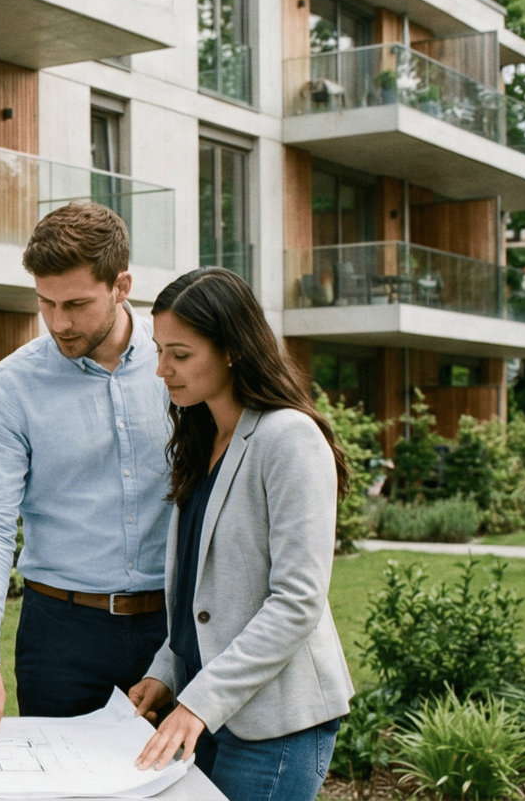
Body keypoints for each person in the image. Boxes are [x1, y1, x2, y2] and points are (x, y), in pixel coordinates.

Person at [0, 202, 176, 740]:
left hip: (175, 625)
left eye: (75, 303)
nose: (58, 322)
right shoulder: (11, 386)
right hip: (60, 635)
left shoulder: (180, 366)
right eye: (45, 302)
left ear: (122, 285)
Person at [129, 267, 354, 801]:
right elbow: (200, 592)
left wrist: (198, 702)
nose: (162, 369)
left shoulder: (288, 437)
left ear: (231, 349)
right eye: (160, 351)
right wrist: (167, 670)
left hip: (273, 724)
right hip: (206, 709)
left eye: (180, 355)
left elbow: (297, 601)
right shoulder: (203, 436)